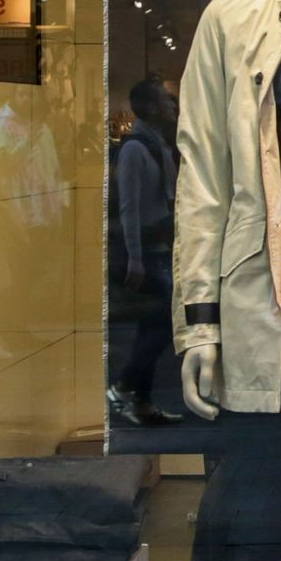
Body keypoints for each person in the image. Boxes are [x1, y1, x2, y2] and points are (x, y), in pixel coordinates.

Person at [108, 76, 183, 426]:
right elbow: (129, 207)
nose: (173, 107)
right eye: (167, 102)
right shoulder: (136, 149)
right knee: (164, 321)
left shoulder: (159, 145)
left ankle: (140, 400)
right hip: (146, 253)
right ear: (152, 108)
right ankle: (124, 386)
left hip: (159, 248)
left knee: (154, 324)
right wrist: (135, 257)